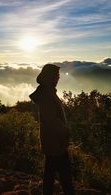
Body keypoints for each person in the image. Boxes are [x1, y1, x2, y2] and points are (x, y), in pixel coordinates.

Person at [29, 64, 75, 195]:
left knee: (50, 172)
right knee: (65, 176)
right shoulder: (47, 95)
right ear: (50, 77)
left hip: (51, 140)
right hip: (55, 141)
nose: (59, 77)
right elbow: (52, 120)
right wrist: (65, 130)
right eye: (57, 75)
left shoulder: (47, 92)